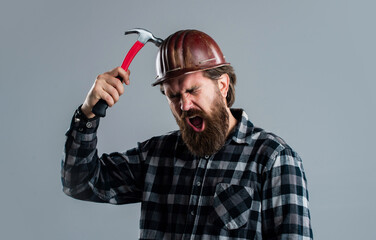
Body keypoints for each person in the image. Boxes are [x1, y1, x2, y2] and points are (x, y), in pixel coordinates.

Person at [62, 29, 313, 239]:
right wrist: (87, 115)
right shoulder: (156, 156)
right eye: (173, 96)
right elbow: (80, 183)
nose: (184, 105)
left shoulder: (273, 160)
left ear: (222, 85)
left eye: (193, 90)